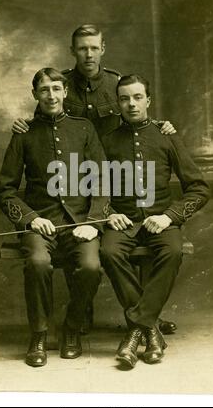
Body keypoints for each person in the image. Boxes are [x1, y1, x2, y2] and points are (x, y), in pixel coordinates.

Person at [11, 24, 178, 336]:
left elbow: (135, 114)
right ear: (73, 50)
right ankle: (87, 313)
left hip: (112, 175)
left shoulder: (114, 83)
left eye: (93, 47)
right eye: (82, 48)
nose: (88, 53)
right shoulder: (59, 83)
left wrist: (160, 126)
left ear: (103, 49)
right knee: (87, 249)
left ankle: (144, 316)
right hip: (71, 180)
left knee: (110, 247)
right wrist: (22, 125)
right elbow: (44, 127)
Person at [0, 68, 108, 367]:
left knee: (91, 266)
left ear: (65, 92)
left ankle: (71, 328)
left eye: (56, 88)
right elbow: (4, 190)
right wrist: (31, 219)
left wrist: (92, 221)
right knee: (37, 262)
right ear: (35, 95)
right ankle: (39, 333)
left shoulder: (83, 128)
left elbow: (102, 180)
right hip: (39, 225)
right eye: (44, 90)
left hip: (80, 223)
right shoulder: (24, 134)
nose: (51, 95)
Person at [100, 74, 211, 368]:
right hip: (123, 223)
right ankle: (151, 331)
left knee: (173, 251)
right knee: (108, 252)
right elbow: (93, 186)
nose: (131, 104)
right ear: (118, 103)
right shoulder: (108, 141)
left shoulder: (166, 136)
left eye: (137, 97)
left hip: (161, 221)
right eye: (124, 98)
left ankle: (135, 330)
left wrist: (168, 216)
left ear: (148, 101)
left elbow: (199, 187)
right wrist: (109, 213)